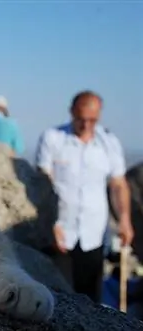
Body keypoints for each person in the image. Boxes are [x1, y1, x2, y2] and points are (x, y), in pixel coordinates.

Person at [36, 90, 134, 303]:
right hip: (60, 231)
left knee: (91, 297)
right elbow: (43, 183)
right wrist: (51, 223)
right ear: (72, 112)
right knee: (58, 295)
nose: (86, 125)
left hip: (94, 233)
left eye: (92, 120)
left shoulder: (109, 143)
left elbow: (118, 184)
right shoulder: (53, 138)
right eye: (81, 119)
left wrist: (125, 220)